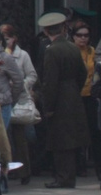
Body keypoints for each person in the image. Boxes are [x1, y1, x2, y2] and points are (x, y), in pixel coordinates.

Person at [35, 11, 87, 186]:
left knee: (59, 140)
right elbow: (83, 73)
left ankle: (63, 178)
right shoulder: (73, 47)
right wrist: (74, 89)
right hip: (73, 95)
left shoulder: (52, 51)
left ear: (47, 31)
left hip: (58, 99)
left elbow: (50, 81)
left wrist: (47, 106)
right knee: (70, 138)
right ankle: (68, 176)